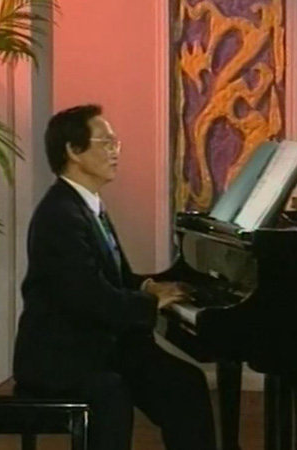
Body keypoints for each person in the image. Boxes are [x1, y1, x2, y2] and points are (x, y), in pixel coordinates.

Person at [13, 105, 217, 450]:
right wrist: (151, 301)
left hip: (96, 346)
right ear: (73, 150)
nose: (115, 151)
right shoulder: (60, 215)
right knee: (112, 393)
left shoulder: (87, 206)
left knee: (185, 384)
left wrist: (147, 286)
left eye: (115, 143)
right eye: (106, 143)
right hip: (62, 358)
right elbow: (88, 298)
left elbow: (114, 279)